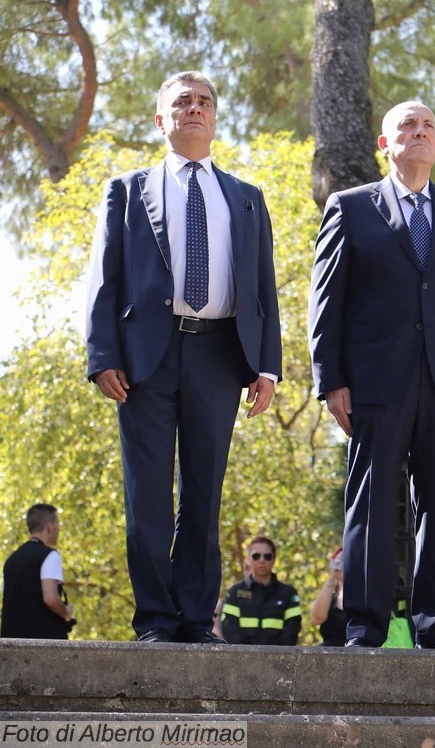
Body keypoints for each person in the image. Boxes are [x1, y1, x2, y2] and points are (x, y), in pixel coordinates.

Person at [85, 70, 282, 644]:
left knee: (204, 492)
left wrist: (266, 365)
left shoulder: (245, 197)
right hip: (146, 355)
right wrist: (102, 356)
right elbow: (104, 280)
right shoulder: (126, 189)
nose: (194, 109)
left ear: (214, 118)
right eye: (182, 102)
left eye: (203, 102)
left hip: (221, 353)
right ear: (161, 119)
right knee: (147, 492)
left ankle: (196, 618)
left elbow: (262, 287)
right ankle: (154, 619)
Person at [309, 100, 435, 649]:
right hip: (374, 383)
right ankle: (365, 626)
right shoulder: (351, 207)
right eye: (407, 127)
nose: (420, 133)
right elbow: (327, 302)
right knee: (370, 504)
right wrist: (331, 380)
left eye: (428, 127)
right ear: (384, 145)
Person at [1, 504, 75, 639]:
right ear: (50, 526)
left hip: (11, 643)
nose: (59, 528)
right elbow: (50, 598)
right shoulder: (49, 556)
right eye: (57, 523)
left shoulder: (11, 560)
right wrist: (66, 614)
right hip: (44, 644)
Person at [220, 536, 301, 645]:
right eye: (256, 556)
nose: (262, 560)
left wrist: (273, 656)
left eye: (267, 556)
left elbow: (292, 630)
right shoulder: (235, 592)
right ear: (248, 559)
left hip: (278, 659)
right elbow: (229, 629)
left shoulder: (288, 594)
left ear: (274, 559)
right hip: (242, 658)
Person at [310, 546, 347, 647]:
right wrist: (332, 578)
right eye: (338, 562)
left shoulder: (364, 597)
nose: (341, 565)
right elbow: (316, 618)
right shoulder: (330, 598)